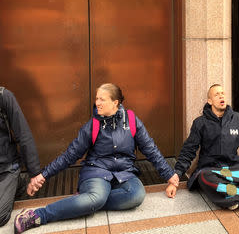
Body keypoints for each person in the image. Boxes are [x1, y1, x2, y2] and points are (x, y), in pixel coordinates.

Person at [14, 83, 179, 233]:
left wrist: (170, 176)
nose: (97, 102)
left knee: (136, 196)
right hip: (96, 171)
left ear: (115, 102)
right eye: (96, 98)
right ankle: (38, 215)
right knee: (97, 197)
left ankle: (86, 202)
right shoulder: (93, 125)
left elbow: (150, 149)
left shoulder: (132, 121)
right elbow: (70, 155)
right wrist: (43, 175)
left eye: (102, 99)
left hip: (124, 172)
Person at [0, 87, 42, 227]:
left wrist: (34, 173)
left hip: (7, 168)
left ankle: (18, 183)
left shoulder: (3, 96)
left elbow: (23, 135)